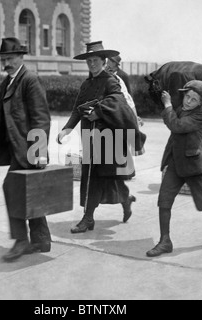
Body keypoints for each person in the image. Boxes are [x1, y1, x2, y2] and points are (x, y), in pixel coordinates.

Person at [57, 41, 145, 233]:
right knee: (96, 177)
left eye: (95, 60)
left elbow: (119, 103)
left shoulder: (111, 81)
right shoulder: (86, 84)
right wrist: (67, 129)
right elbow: (77, 109)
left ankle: (90, 217)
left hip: (108, 138)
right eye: (89, 61)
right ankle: (120, 202)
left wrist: (99, 112)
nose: (92, 64)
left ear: (104, 61)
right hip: (89, 136)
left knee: (103, 177)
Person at [0, 37, 52, 262]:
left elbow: (41, 119)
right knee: (30, 192)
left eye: (10, 58)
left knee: (12, 189)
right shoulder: (7, 84)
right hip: (18, 150)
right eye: (3, 59)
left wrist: (38, 153)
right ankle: (41, 239)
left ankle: (21, 240)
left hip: (29, 150)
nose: (6, 63)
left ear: (21, 57)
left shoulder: (29, 80)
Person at [146, 80, 202, 258]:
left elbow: (176, 125)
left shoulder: (201, 114)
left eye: (193, 99)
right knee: (164, 200)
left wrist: (168, 104)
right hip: (176, 162)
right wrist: (158, 93)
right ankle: (165, 241)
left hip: (194, 166)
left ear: (201, 103)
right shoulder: (182, 108)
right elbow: (169, 114)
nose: (188, 101)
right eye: (187, 96)